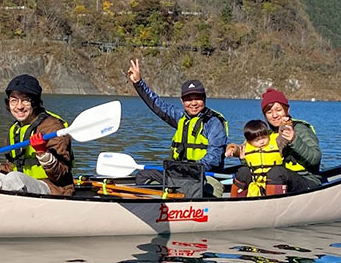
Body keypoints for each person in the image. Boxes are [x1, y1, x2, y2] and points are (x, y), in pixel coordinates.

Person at [0, 74, 74, 195]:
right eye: (14, 101)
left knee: (13, 178)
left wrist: (43, 153)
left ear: (35, 102)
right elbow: (12, 167)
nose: (19, 107)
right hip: (20, 183)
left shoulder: (54, 127)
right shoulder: (14, 129)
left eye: (25, 100)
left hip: (52, 188)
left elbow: (60, 175)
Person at [126, 59, 228, 190]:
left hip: (204, 175)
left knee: (200, 187)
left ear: (204, 99)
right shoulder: (181, 117)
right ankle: (156, 206)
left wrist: (190, 170)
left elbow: (213, 157)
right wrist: (138, 83)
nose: (193, 103)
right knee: (143, 176)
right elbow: (157, 105)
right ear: (182, 101)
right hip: (180, 174)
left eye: (197, 98)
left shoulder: (214, 123)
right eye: (188, 99)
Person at [228, 88, 320, 194]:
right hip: (272, 181)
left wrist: (294, 140)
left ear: (287, 110)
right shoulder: (266, 134)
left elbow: (315, 159)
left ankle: (271, 205)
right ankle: (235, 203)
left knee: (276, 172)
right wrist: (235, 152)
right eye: (269, 112)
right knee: (243, 172)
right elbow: (248, 151)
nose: (274, 115)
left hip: (305, 180)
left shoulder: (300, 129)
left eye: (278, 110)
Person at [226, 120, 286, 197]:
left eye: (264, 137)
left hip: (275, 180)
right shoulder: (247, 146)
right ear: (249, 141)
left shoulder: (277, 142)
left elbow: (285, 138)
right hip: (256, 182)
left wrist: (285, 125)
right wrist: (231, 149)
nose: (262, 142)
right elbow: (237, 149)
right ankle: (235, 201)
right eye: (257, 140)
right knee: (242, 171)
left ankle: (274, 200)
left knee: (276, 172)